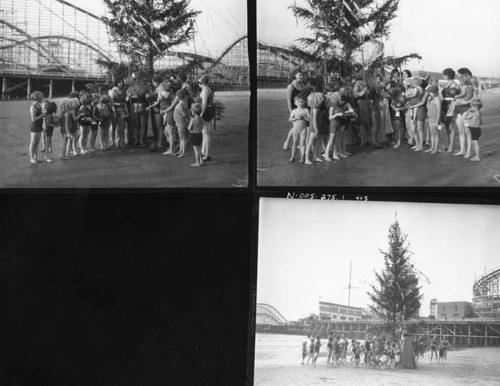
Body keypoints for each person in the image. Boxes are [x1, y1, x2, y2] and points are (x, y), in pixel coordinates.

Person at [453, 69, 475, 158]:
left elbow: (473, 98)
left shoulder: (471, 87)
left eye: (461, 79)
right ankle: (462, 150)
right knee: (460, 131)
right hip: (459, 109)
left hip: (467, 109)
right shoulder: (460, 86)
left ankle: (469, 151)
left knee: (467, 132)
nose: (460, 80)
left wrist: (464, 102)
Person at [439, 68, 460, 152]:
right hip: (444, 104)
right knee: (447, 126)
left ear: (448, 75)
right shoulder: (446, 83)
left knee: (451, 126)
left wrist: (451, 109)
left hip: (449, 105)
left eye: (444, 74)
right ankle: (449, 145)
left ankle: (451, 146)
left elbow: (454, 98)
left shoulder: (453, 84)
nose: (443, 76)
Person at [284, 71, 304, 150]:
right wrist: (291, 111)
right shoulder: (290, 86)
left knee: (299, 126)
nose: (302, 76)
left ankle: (291, 142)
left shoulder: (301, 85)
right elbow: (288, 100)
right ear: (295, 76)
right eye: (300, 75)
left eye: (301, 75)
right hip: (293, 109)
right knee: (295, 127)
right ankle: (287, 142)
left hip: (300, 108)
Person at [198, 74, 215, 162]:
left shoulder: (205, 91)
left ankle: (207, 154)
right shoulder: (207, 89)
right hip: (208, 111)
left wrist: (200, 115)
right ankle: (203, 151)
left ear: (201, 83)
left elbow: (204, 105)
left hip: (206, 112)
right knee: (204, 134)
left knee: (206, 134)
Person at [304, 92, 324, 165]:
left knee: (315, 143)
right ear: (317, 100)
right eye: (320, 100)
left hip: (314, 128)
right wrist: (316, 130)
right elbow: (314, 121)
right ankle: (306, 159)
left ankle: (315, 157)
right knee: (310, 143)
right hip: (313, 128)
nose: (321, 101)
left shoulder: (314, 108)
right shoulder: (315, 109)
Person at [288, 95, 310, 163]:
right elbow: (290, 119)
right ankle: (292, 156)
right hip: (295, 129)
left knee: (302, 142)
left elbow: (309, 119)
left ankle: (302, 157)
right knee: (294, 142)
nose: (300, 103)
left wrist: (304, 117)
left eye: (302, 102)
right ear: (295, 103)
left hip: (303, 128)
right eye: (298, 102)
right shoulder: (294, 111)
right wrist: (296, 118)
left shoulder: (306, 110)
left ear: (304, 102)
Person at [324, 91, 344, 162]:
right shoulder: (331, 107)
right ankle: (326, 155)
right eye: (338, 99)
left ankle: (334, 154)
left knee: (336, 140)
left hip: (337, 124)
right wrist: (337, 115)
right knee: (331, 140)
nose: (339, 100)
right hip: (333, 125)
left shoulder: (338, 107)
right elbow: (330, 117)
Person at [109, 79, 129, 148]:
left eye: (122, 82)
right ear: (117, 83)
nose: (121, 83)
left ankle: (121, 142)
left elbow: (125, 102)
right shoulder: (114, 90)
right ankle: (112, 142)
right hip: (115, 109)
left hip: (122, 110)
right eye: (119, 82)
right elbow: (112, 102)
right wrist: (114, 112)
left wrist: (127, 112)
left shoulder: (124, 91)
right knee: (113, 127)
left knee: (121, 127)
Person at [170, 88, 189, 157]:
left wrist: (187, 120)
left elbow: (184, 114)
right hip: (179, 123)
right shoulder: (183, 102)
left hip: (181, 123)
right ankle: (180, 150)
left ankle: (183, 152)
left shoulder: (180, 105)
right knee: (181, 137)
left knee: (182, 138)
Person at [29, 91, 46, 164]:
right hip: (34, 126)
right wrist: (42, 115)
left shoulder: (39, 105)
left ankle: (36, 157)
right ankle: (31, 158)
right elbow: (33, 119)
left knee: (37, 142)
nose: (43, 98)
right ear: (38, 98)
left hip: (39, 126)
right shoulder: (33, 107)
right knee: (33, 142)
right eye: (42, 97)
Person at [187, 103, 205, 167]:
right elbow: (202, 127)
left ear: (193, 112)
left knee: (196, 150)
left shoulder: (193, 120)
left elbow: (189, 128)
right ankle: (201, 160)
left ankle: (197, 163)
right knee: (199, 149)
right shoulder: (201, 119)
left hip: (194, 135)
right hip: (200, 134)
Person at [425, 85, 442, 154]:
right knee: (432, 134)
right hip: (430, 118)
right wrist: (428, 101)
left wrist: (437, 122)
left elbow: (439, 111)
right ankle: (432, 147)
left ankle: (436, 148)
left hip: (435, 119)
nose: (429, 94)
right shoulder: (431, 99)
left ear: (434, 92)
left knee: (436, 134)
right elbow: (427, 107)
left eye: (430, 92)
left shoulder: (438, 100)